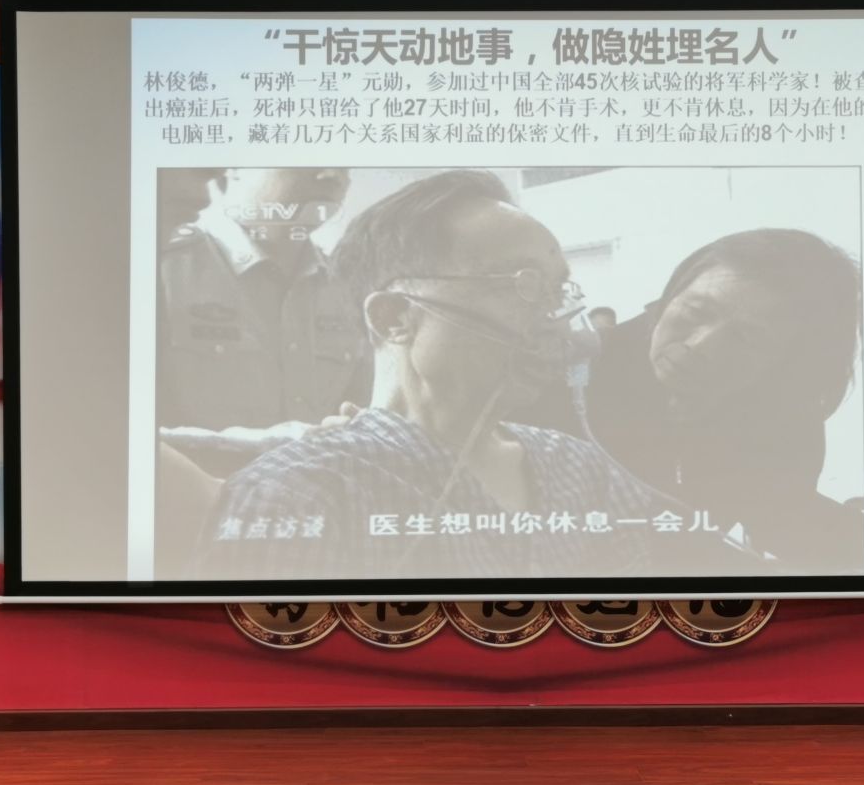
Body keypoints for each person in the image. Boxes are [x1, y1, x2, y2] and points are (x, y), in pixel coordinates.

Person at [194, 170, 716, 581]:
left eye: (559, 290)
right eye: (524, 282)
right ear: (394, 318)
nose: (558, 321)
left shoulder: (583, 469)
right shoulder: (300, 493)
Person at [578, 229, 864, 572]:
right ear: (673, 293)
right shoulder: (576, 370)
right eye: (696, 311)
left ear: (787, 364)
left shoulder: (783, 413)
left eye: (746, 337)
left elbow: (783, 516)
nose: (700, 346)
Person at [157, 166, 367, 432]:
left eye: (343, 166)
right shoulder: (161, 265)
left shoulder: (350, 288)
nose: (332, 175)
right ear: (234, 168)